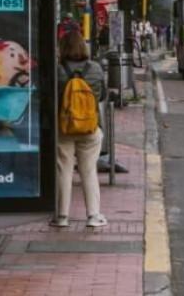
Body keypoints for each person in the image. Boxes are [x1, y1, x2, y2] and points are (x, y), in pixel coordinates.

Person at [52, 31, 108, 228]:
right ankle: (93, 216)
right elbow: (102, 96)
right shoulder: (95, 69)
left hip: (63, 127)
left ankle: (61, 217)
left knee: (63, 170)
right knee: (88, 170)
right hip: (90, 128)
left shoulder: (56, 70)